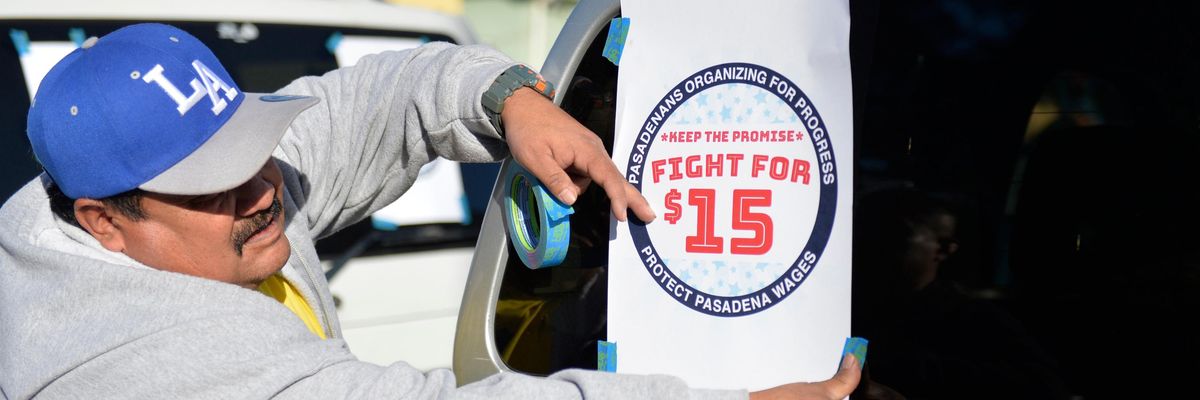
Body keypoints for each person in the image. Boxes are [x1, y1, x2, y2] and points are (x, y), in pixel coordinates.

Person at [0, 23, 860, 399]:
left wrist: (507, 102)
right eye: (214, 185)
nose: (262, 190)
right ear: (104, 220)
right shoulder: (144, 366)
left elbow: (367, 103)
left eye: (249, 148)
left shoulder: (169, 217)